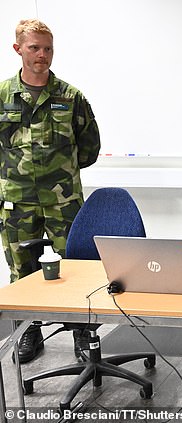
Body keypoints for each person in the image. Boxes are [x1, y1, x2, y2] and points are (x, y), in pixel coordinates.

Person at [0, 19, 101, 363]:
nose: (42, 55)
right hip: (16, 202)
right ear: (18, 49)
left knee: (77, 268)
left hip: (64, 201)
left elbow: (89, 148)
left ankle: (82, 333)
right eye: (34, 48)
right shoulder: (1, 97)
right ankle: (29, 331)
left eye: (48, 48)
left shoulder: (71, 98)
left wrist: (59, 175)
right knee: (21, 271)